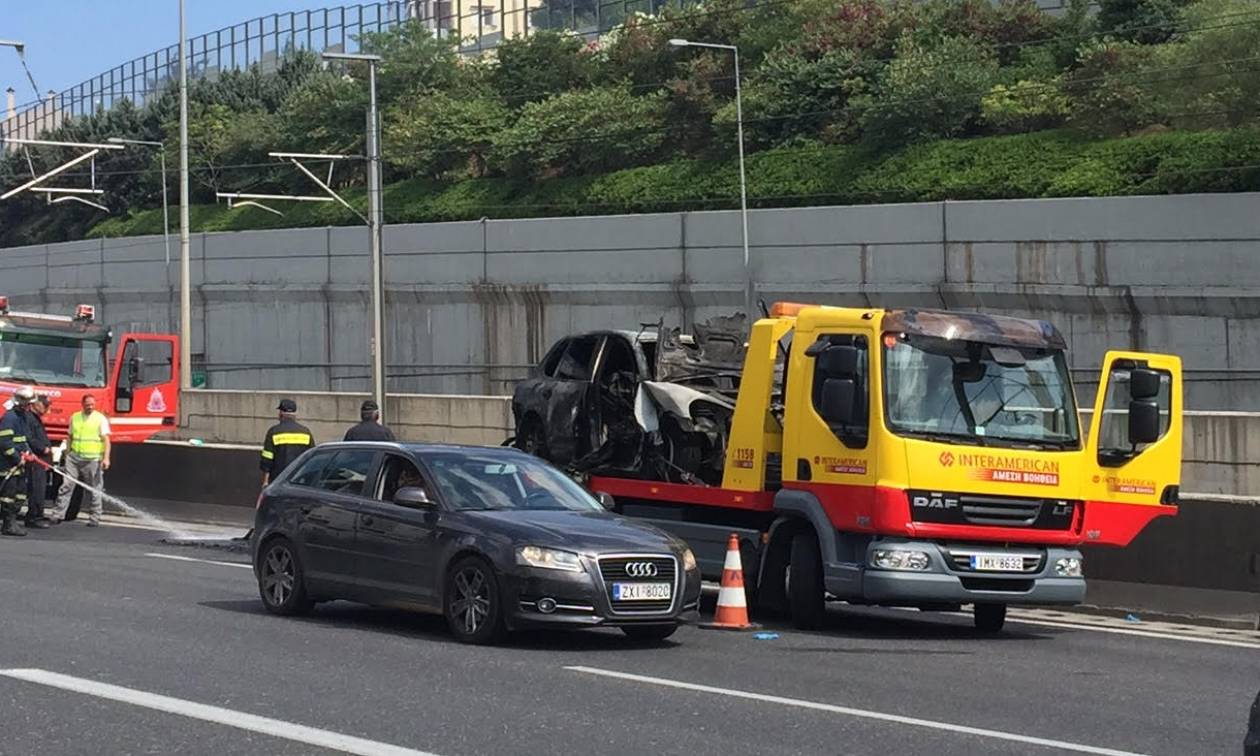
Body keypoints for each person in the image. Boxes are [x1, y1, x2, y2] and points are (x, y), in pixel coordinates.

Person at [50, 394, 111, 527]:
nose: (90, 407)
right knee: (66, 486)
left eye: (92, 404)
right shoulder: (75, 417)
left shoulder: (100, 419)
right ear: (82, 404)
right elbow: (70, 436)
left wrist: (106, 458)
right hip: (74, 458)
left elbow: (106, 440)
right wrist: (67, 455)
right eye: (87, 404)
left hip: (93, 459)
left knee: (95, 489)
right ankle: (58, 514)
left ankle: (95, 517)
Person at [0, 387, 35, 536]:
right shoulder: (10, 417)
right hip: (8, 465)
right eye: (28, 403)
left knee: (21, 493)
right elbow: (5, 442)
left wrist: (29, 453)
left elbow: (23, 439)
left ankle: (12, 522)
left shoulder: (22, 417)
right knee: (8, 495)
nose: (30, 406)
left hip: (20, 464)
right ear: (22, 402)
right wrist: (16, 458)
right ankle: (8, 524)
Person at [261, 399, 314, 487]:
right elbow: (312, 458)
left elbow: (267, 459)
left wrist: (265, 482)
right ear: (295, 414)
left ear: (281, 413)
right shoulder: (305, 432)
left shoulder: (274, 432)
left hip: (278, 479)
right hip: (299, 480)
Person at [23, 395, 53, 529]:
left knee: (40, 488)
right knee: (36, 488)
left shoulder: (35, 418)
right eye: (45, 405)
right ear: (37, 405)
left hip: (41, 459)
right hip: (36, 459)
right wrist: (43, 449)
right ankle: (33, 517)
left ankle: (37, 514)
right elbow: (29, 438)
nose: (47, 409)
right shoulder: (29, 418)